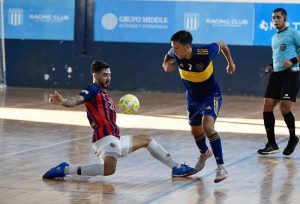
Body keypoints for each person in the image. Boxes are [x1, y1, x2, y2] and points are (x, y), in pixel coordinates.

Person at [43, 60, 197, 180]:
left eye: (109, 74)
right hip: (105, 138)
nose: (108, 78)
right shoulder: (93, 89)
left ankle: (176, 168)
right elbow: (76, 99)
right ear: (95, 75)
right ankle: (65, 170)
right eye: (105, 75)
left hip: (114, 138)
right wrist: (63, 101)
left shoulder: (105, 94)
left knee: (146, 140)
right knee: (109, 170)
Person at [162, 30, 236, 183]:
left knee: (208, 127)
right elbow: (168, 56)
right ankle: (204, 152)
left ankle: (221, 167)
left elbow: (222, 43)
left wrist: (230, 62)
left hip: (211, 94)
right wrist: (165, 64)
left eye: (177, 48)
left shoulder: (205, 52)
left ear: (187, 47)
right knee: (196, 131)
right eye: (173, 47)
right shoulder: (174, 53)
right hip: (192, 96)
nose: (173, 50)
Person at [257, 8, 300, 156]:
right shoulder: (274, 37)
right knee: (267, 105)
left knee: (284, 108)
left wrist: (293, 61)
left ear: (284, 19)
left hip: (292, 73)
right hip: (277, 74)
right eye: (273, 18)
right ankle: (271, 144)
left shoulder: (293, 33)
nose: (275, 20)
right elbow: (278, 56)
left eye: (278, 17)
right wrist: (271, 65)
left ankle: (293, 138)